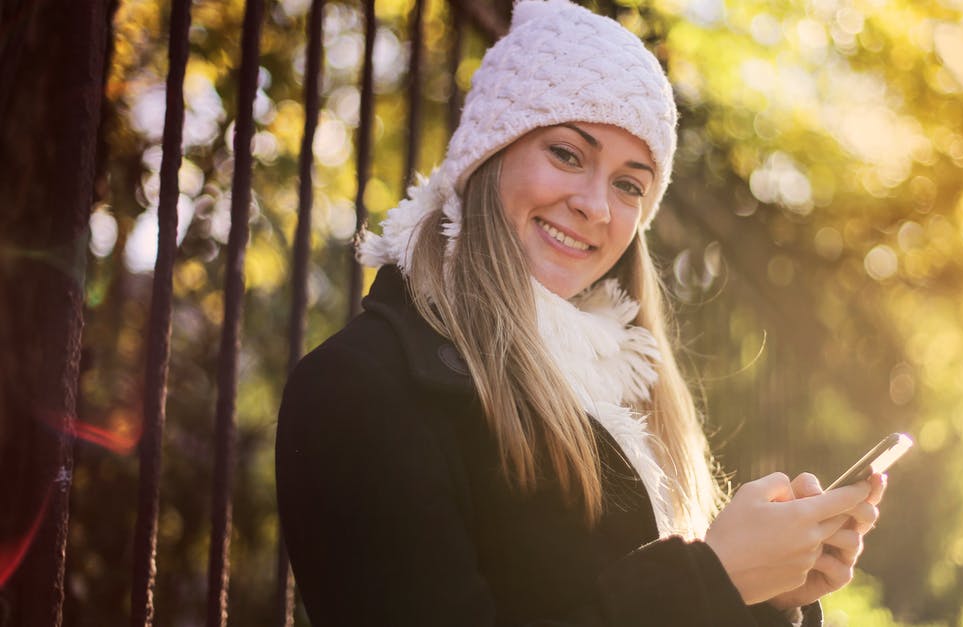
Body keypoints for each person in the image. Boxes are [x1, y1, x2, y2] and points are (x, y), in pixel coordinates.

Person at [275, 1, 886, 625]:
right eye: (567, 154)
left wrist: (766, 596)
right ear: (490, 155)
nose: (596, 206)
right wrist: (712, 578)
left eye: (629, 184)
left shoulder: (615, 390)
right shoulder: (359, 386)